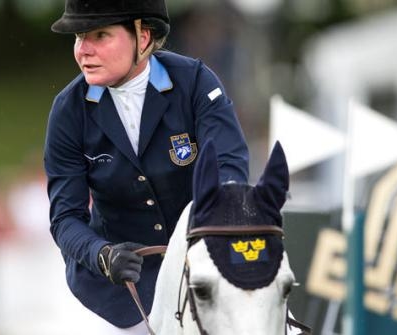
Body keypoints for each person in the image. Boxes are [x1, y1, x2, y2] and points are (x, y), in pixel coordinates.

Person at [44, 1, 249, 334]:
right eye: (80, 37)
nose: (84, 51)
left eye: (100, 35)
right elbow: (65, 218)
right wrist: (102, 255)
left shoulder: (195, 82)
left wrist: (207, 231)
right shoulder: (69, 111)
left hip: (200, 269)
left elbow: (229, 170)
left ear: (143, 36)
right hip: (117, 290)